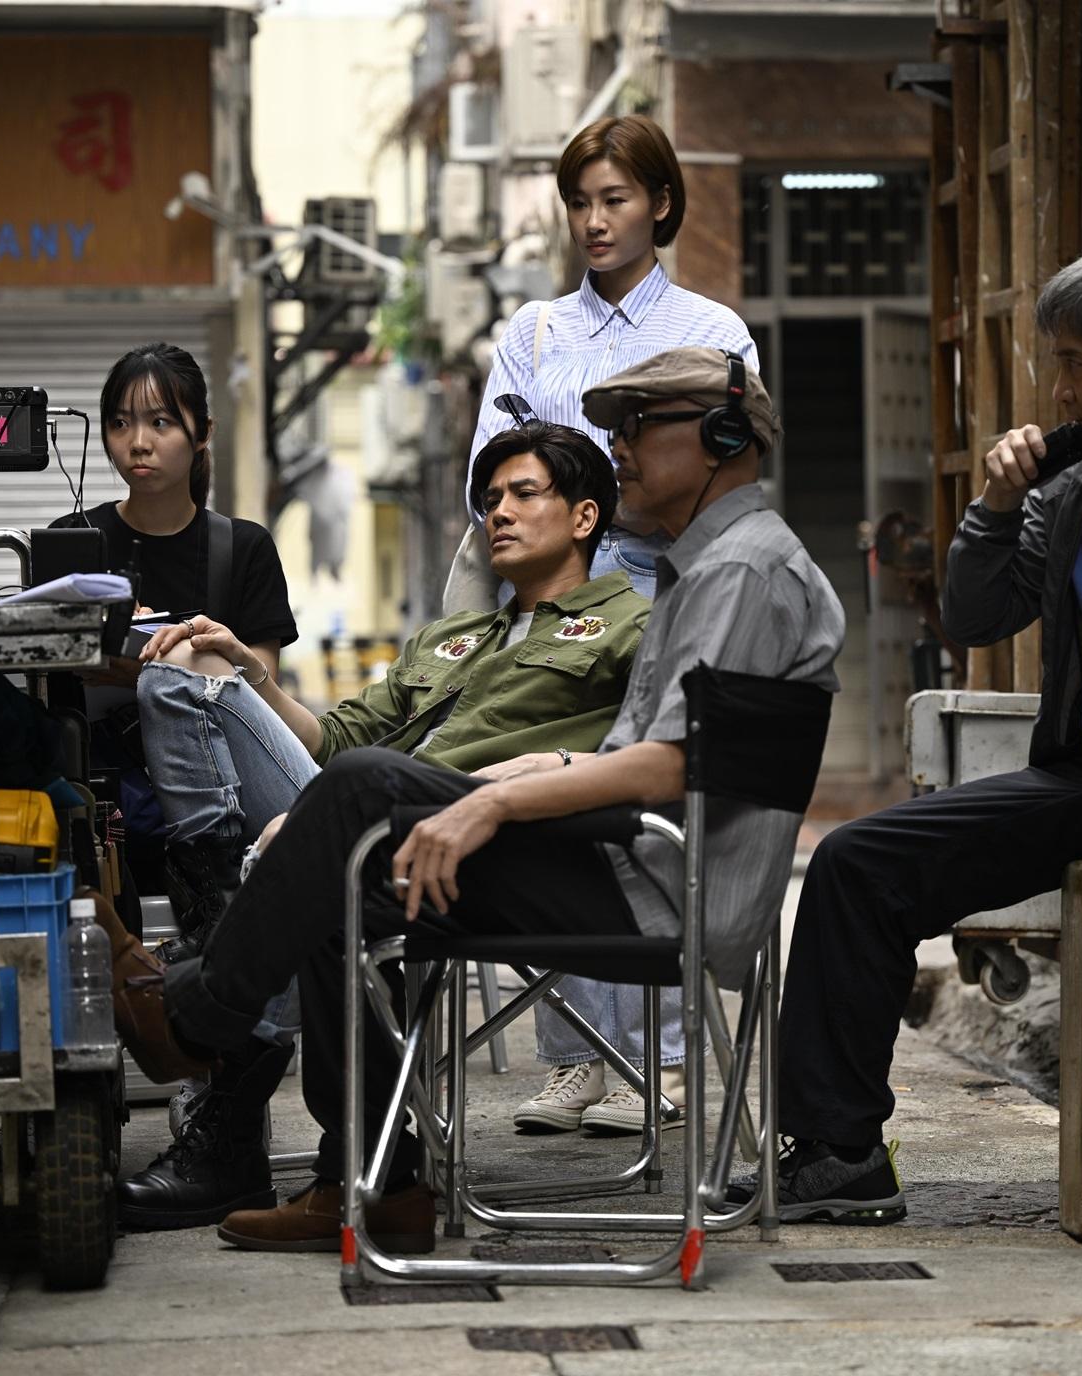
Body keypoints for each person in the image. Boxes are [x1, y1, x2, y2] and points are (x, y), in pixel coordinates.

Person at [144, 346, 841, 1255]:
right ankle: (373, 1180)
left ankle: (195, 1015)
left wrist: (497, 799)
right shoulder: (705, 568)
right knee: (339, 874)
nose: (621, 448)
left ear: (721, 436)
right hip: (620, 858)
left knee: (355, 794)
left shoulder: (738, 572)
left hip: (650, 881)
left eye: (638, 427)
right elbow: (656, 751)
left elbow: (672, 764)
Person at [743, 242, 1082, 1290]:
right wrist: (995, 509)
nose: (1059, 391)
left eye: (1076, 364)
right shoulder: (1075, 481)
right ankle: (841, 1152)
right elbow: (981, 614)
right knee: (859, 864)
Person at [112, 421, 651, 1230]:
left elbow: (642, 758)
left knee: (344, 823)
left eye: (523, 494)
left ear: (583, 517)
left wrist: (519, 775)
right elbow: (332, 740)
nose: (498, 513)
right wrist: (251, 674)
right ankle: (372, 1182)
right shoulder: (451, 638)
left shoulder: (632, 628)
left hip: (501, 848)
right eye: (490, 499)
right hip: (377, 828)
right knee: (187, 676)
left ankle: (201, 1012)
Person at [451, 113, 759, 1136]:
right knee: (546, 809)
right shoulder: (534, 333)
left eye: (614, 199)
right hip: (552, 604)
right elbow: (490, 475)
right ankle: (578, 1055)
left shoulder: (715, 333)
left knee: (641, 816)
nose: (593, 220)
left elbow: (731, 471)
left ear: (661, 203)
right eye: (580, 201)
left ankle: (662, 1060)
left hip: (670, 591)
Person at [47, 342, 298, 948]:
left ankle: (216, 902)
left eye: (161, 422)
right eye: (120, 423)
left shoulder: (243, 548)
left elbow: (258, 697)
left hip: (226, 793)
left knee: (190, 667)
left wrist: (160, 665)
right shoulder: (71, 542)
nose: (138, 443)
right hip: (105, 795)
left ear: (203, 433)